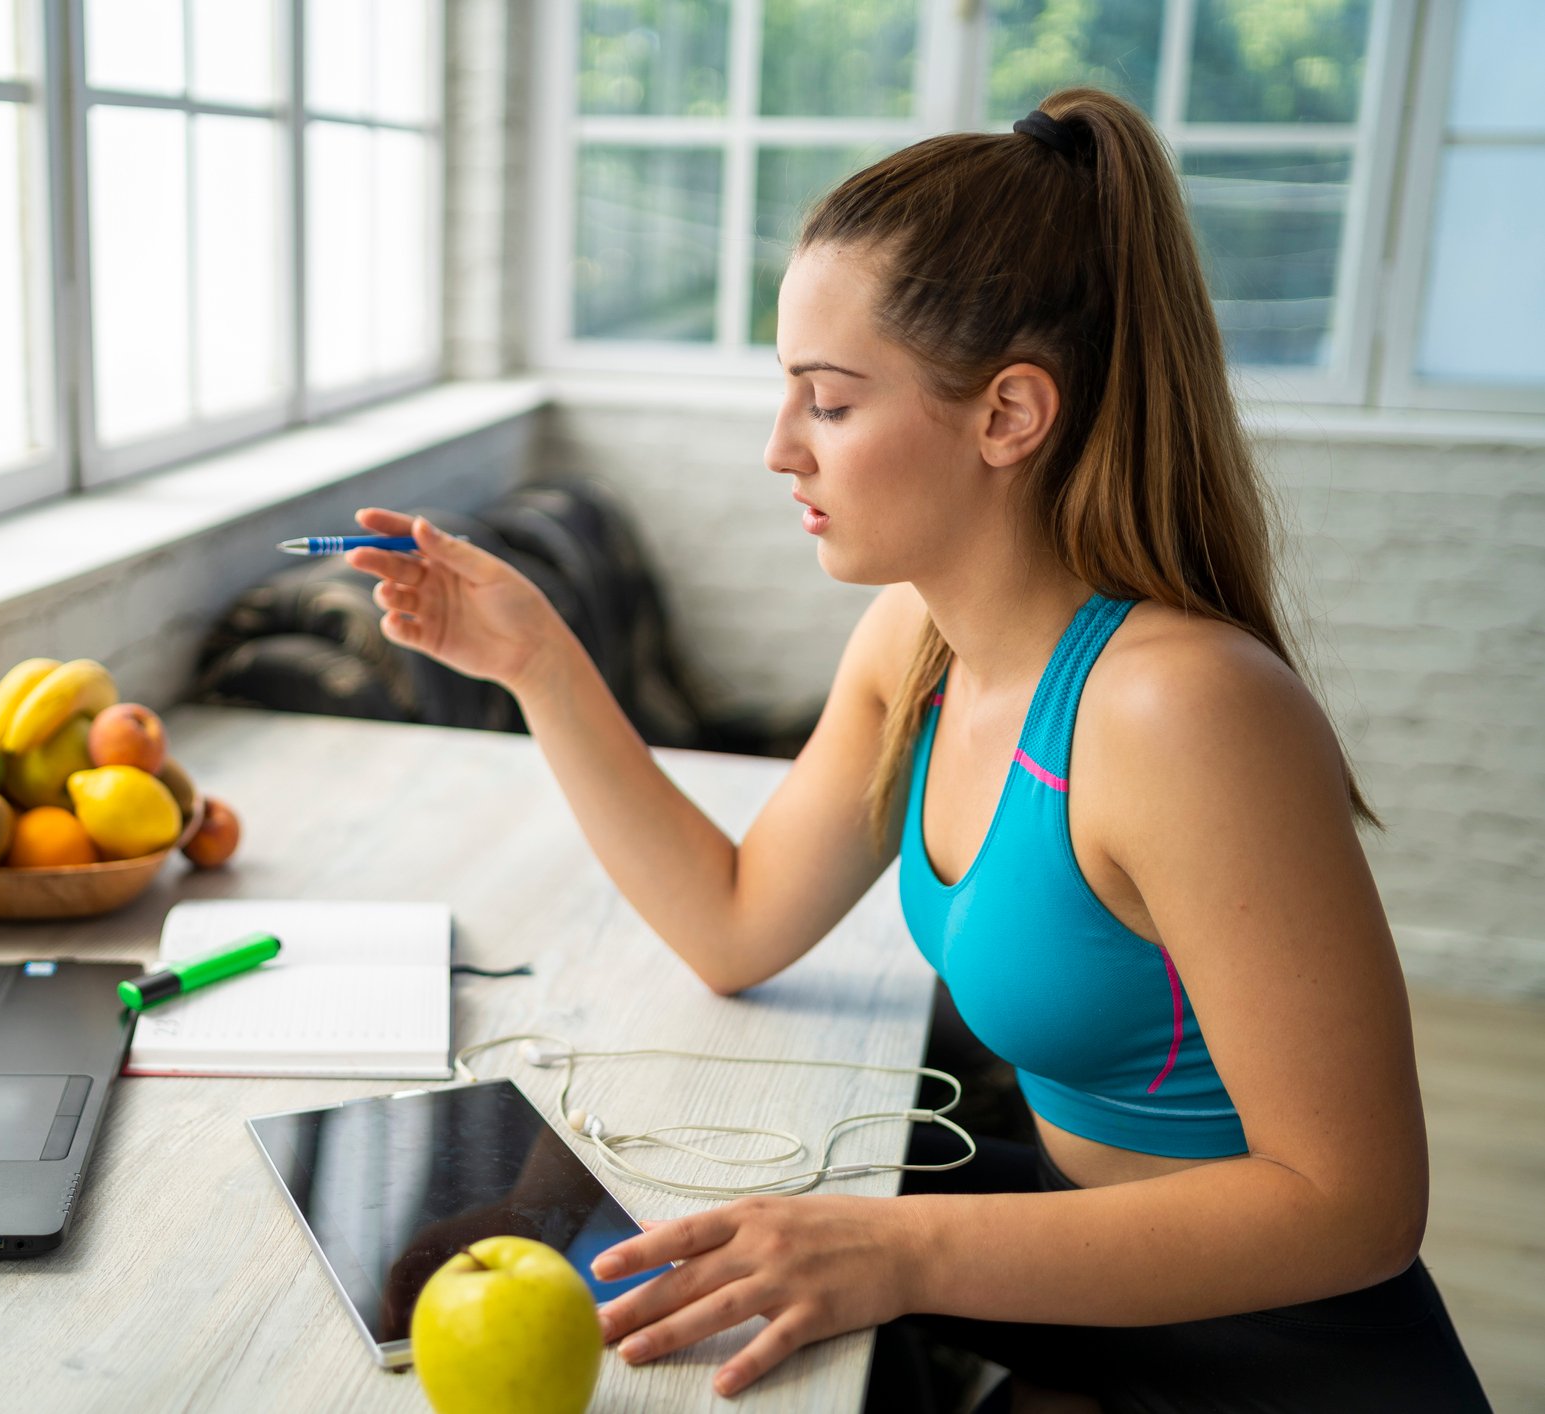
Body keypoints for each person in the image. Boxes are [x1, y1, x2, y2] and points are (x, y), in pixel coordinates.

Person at [344, 89, 1488, 1411]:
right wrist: (537, 656)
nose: (781, 449)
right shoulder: (919, 643)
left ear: (1008, 415)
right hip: (1099, 1292)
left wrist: (899, 1246)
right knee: (669, 1203)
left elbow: (1352, 1208)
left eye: (826, 402)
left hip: (1284, 1355)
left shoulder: (1182, 713)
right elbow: (732, 923)